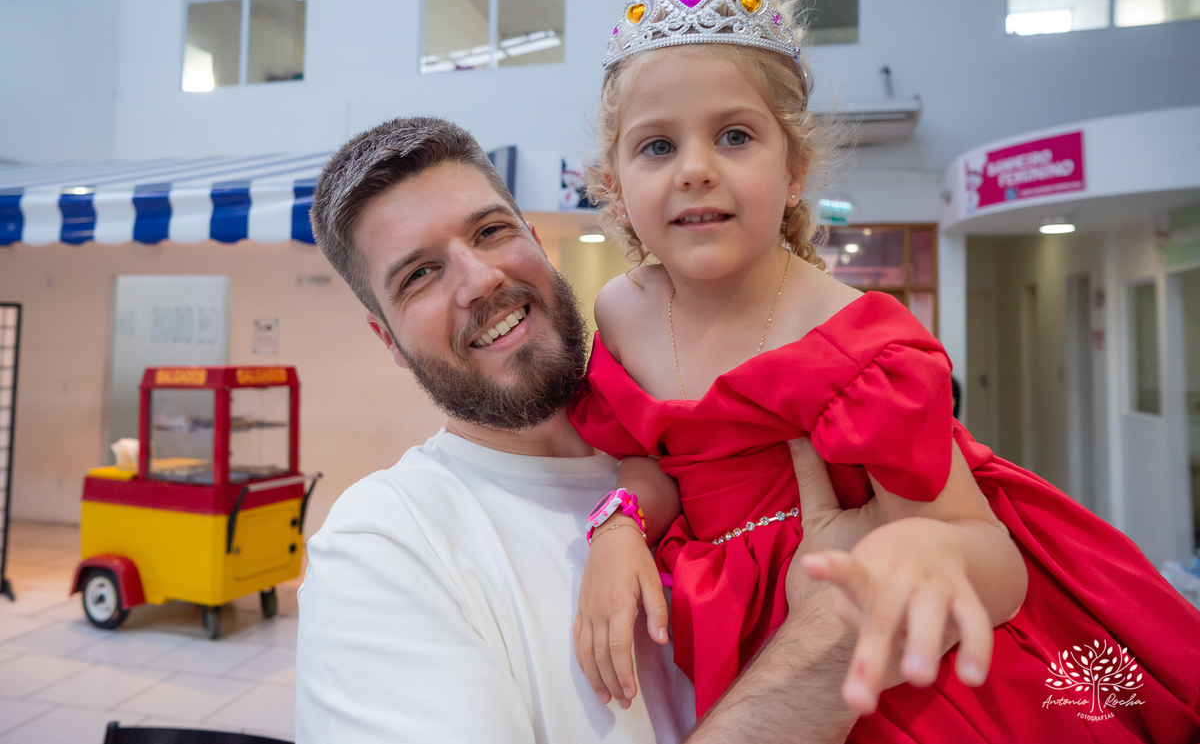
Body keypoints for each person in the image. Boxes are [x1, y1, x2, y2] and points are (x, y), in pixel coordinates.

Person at [569, 0, 1200, 742]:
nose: (695, 169)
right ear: (615, 181)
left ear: (795, 169)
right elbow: (646, 458)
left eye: (734, 135)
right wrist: (620, 522)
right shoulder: (622, 312)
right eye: (656, 146)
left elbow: (992, 559)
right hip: (728, 646)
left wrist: (920, 556)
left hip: (893, 671)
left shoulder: (855, 339)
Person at [296, 115, 936, 743]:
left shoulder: (711, 432)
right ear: (390, 341)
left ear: (536, 240)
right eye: (419, 275)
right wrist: (834, 629)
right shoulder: (383, 546)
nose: (480, 278)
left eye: (491, 231)